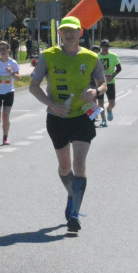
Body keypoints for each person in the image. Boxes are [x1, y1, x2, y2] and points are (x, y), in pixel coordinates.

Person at [29, 16, 107, 233]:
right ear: (60, 34)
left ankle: (74, 213)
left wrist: (95, 92)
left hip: (83, 115)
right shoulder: (49, 56)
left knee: (79, 163)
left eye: (72, 31)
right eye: (64, 31)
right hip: (58, 117)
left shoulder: (92, 58)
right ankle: (73, 194)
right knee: (65, 167)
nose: (69, 34)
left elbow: (103, 84)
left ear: (80, 33)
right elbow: (33, 86)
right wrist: (51, 104)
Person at [0, 40, 21, 145]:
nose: (2, 51)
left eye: (4, 49)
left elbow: (18, 78)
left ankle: (5, 137)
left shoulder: (13, 63)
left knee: (6, 116)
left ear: (8, 50)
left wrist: (11, 72)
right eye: (0, 49)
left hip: (8, 92)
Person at [96, 39, 122, 127]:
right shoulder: (96, 56)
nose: (105, 48)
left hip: (110, 82)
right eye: (104, 46)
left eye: (107, 47)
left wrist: (112, 76)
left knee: (112, 102)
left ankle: (109, 109)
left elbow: (119, 68)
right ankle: (103, 120)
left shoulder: (113, 56)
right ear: (101, 47)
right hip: (99, 82)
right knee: (100, 103)